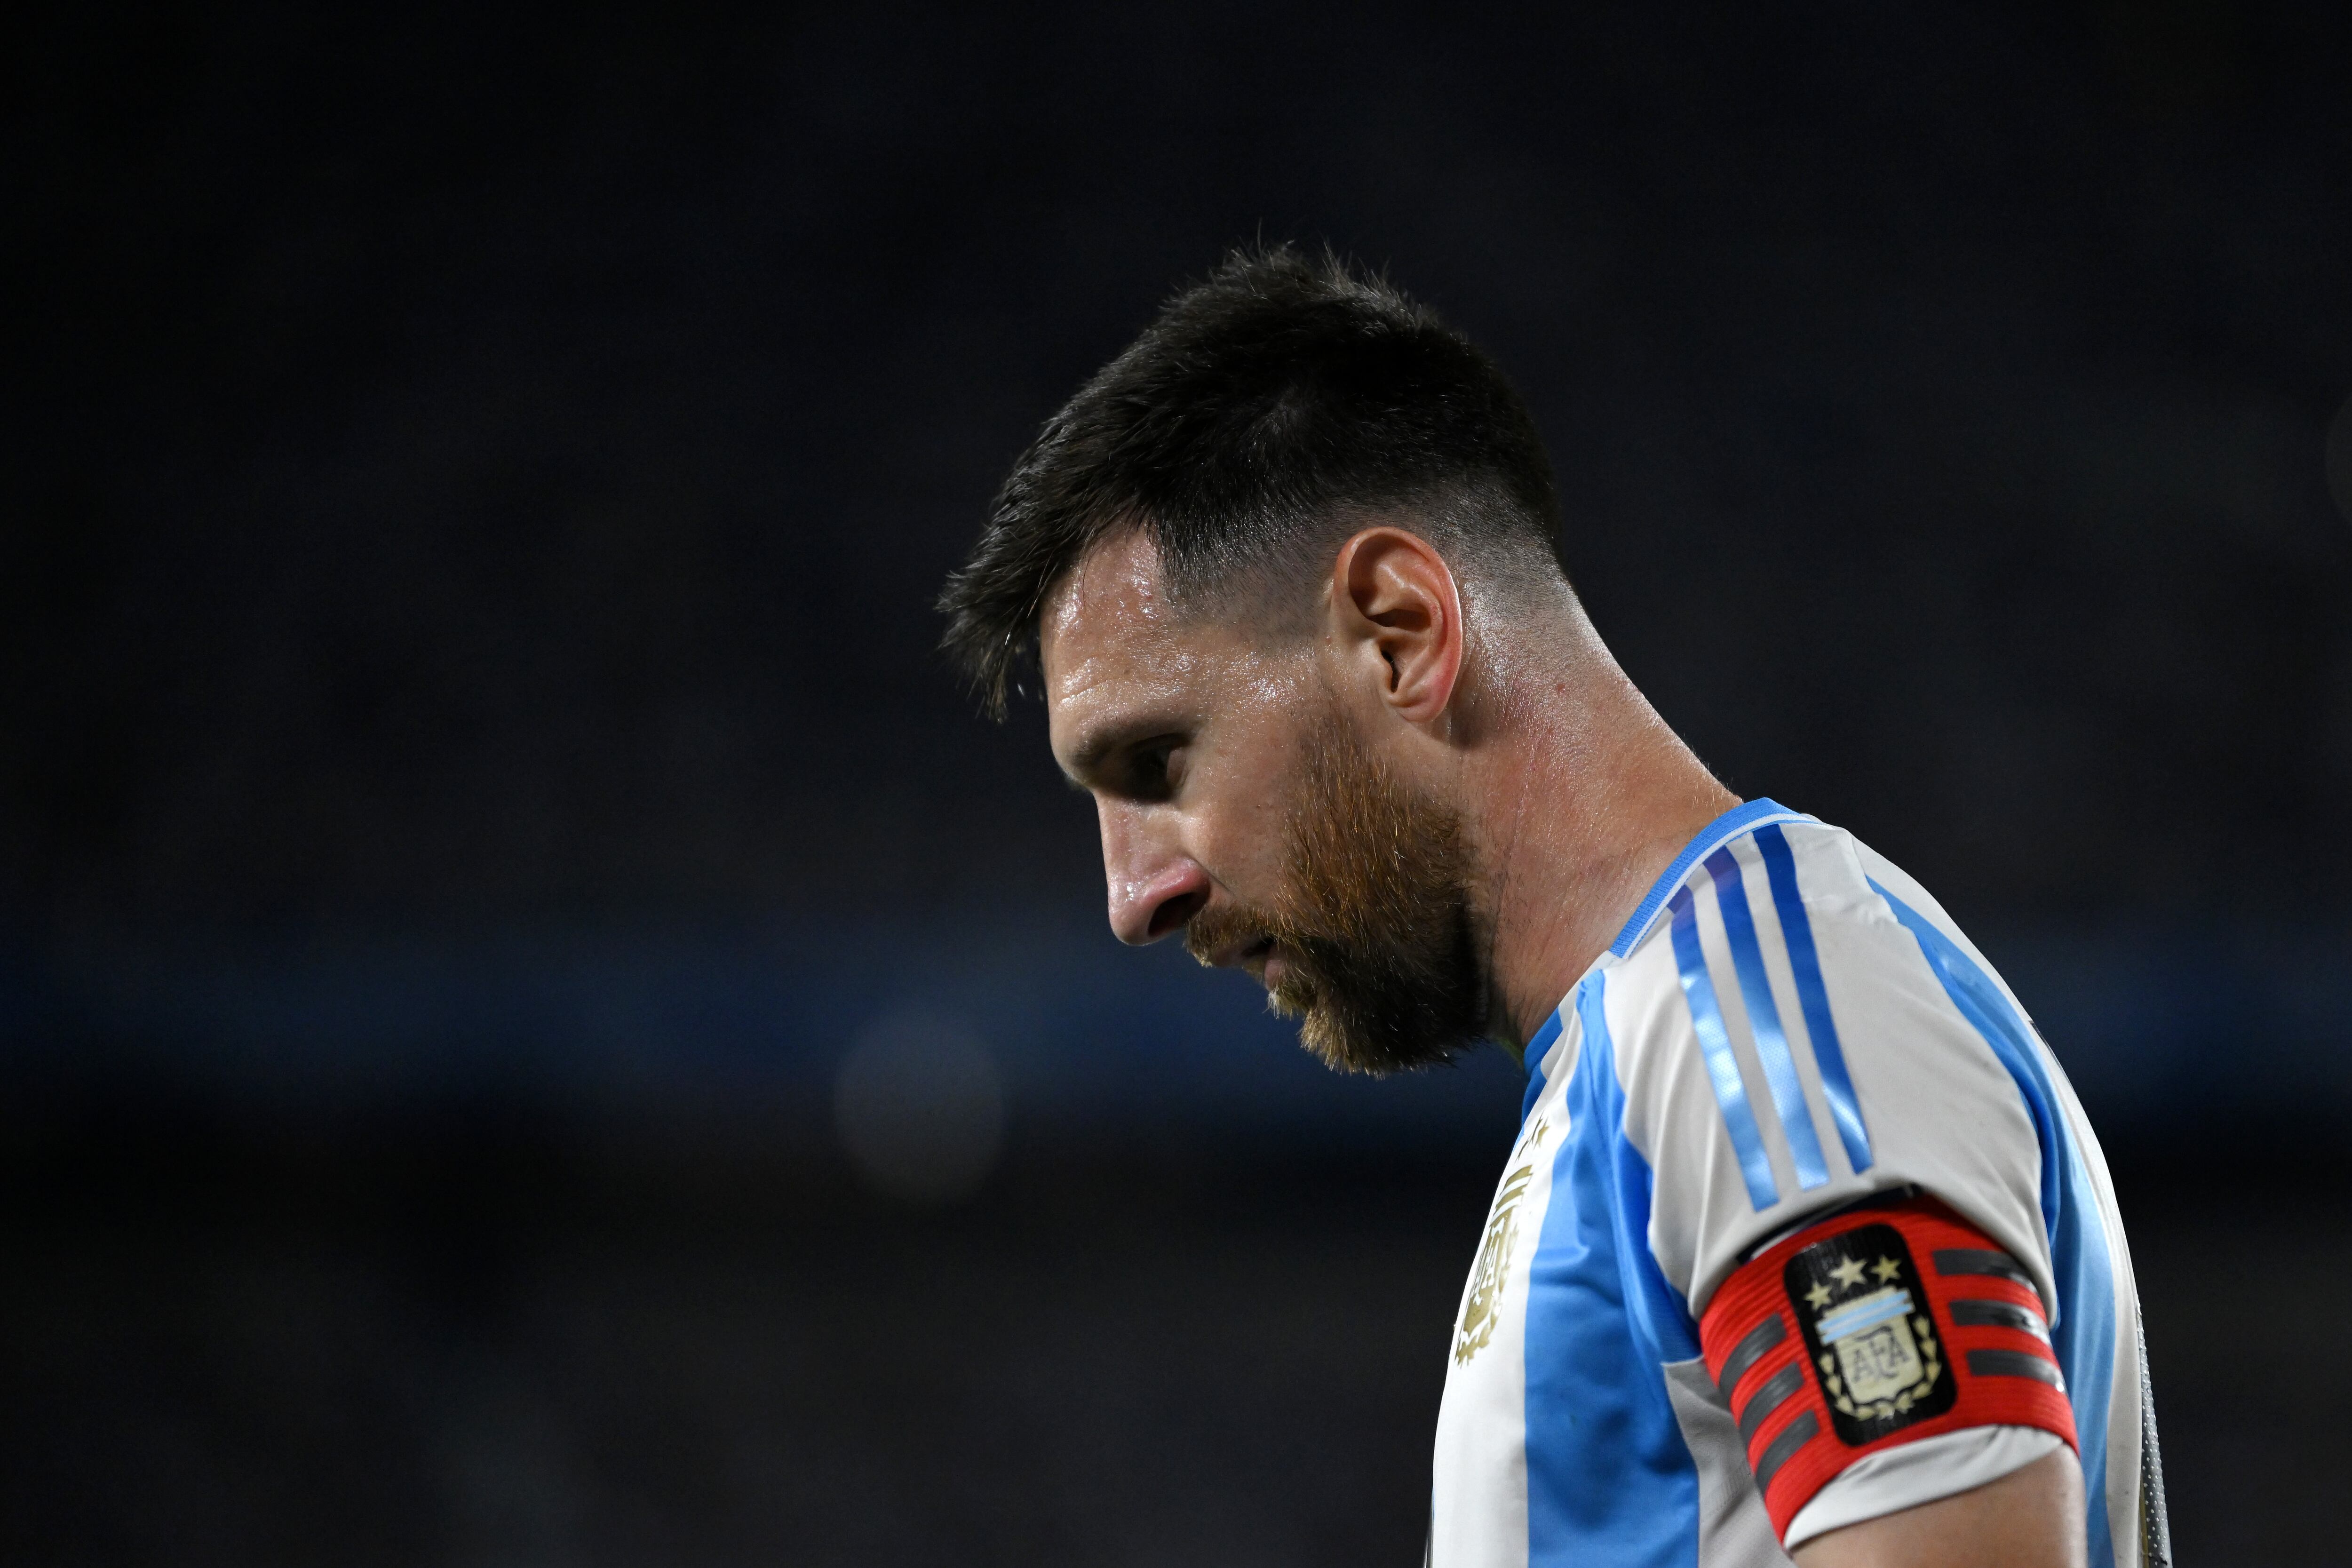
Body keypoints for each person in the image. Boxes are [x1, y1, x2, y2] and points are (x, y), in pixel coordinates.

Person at [936, 246, 2168, 1568]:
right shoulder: (1655, 1053)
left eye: (1158, 763)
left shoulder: (1754, 1023)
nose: (1136, 896)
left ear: (1401, 631)